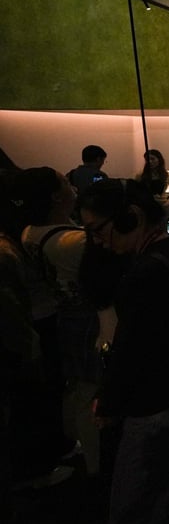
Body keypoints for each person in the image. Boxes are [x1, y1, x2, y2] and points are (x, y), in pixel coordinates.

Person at [78, 178, 169, 524]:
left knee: (132, 505)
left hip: (156, 404)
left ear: (131, 217)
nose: (96, 241)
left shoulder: (146, 269)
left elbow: (132, 348)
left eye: (97, 230)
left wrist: (109, 401)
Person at [15, 167, 104, 483]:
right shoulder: (73, 241)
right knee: (92, 393)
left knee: (78, 389)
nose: (72, 185)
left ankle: (82, 451)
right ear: (55, 196)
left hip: (61, 318)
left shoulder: (29, 233)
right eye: (65, 183)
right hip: (86, 322)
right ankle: (98, 464)